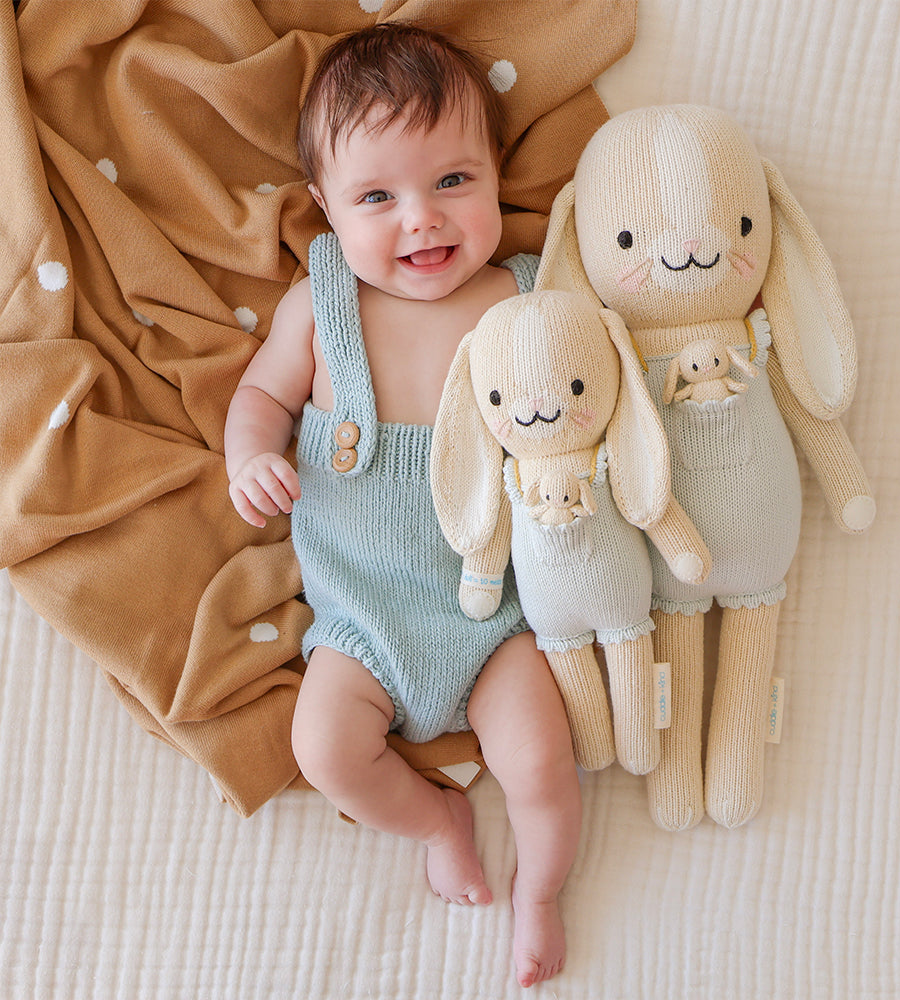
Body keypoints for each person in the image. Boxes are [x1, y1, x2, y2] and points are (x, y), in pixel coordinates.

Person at [224, 24, 580, 989]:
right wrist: (250, 455)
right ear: (326, 211)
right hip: (362, 620)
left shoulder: (523, 295)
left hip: (493, 617)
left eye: (453, 183)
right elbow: (260, 398)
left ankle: (539, 891)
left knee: (545, 766)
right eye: (377, 197)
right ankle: (439, 822)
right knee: (326, 748)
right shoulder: (323, 300)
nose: (420, 220)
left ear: (496, 176)